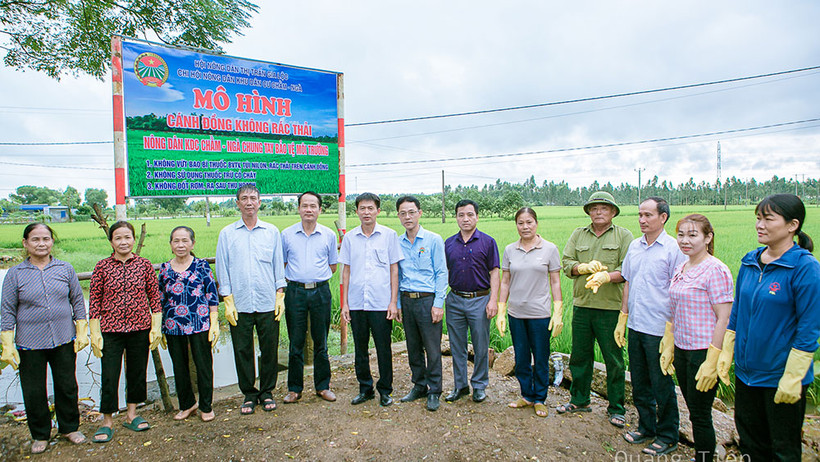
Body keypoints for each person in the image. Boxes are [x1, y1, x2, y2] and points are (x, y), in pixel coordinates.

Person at [717, 194, 820, 461]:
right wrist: (728, 353)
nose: (759, 225)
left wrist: (793, 377)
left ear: (792, 225)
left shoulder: (804, 267)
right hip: (746, 374)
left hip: (780, 377)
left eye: (768, 219)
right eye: (758, 218)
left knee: (783, 450)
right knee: (751, 444)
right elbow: (738, 311)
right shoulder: (750, 261)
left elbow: (809, 328)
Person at [1, 223, 88, 454]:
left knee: (67, 385)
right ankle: (40, 434)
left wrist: (82, 329)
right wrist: (7, 343)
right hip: (29, 343)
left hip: (63, 338)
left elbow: (77, 300)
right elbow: (7, 310)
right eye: (36, 239)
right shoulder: (15, 274)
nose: (41, 244)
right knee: (33, 390)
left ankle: (69, 428)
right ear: (25, 243)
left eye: (46, 239)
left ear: (52, 242)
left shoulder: (65, 269)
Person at [557, 191, 632, 429]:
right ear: (589, 212)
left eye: (604, 208)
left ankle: (617, 408)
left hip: (610, 309)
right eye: (594, 208)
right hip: (582, 306)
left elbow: (628, 269)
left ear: (613, 212)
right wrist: (583, 267)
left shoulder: (623, 236)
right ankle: (579, 400)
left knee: (614, 360)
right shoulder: (578, 234)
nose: (599, 212)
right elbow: (566, 263)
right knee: (580, 357)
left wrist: (606, 276)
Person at [615, 197, 684, 455]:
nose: (642, 220)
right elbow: (628, 282)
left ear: (663, 217)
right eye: (640, 215)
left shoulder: (673, 249)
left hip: (660, 329)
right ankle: (646, 427)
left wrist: (672, 331)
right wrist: (623, 316)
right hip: (636, 325)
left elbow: (678, 291)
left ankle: (668, 434)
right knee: (640, 381)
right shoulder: (635, 246)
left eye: (648, 215)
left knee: (662, 383)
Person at [663, 214, 733, 461]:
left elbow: (724, 317)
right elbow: (674, 308)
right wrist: (669, 342)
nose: (685, 240)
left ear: (708, 237)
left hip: (703, 351)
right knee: (693, 410)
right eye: (681, 234)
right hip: (682, 348)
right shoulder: (682, 267)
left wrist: (713, 358)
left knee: (701, 414)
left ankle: (704, 458)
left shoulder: (716, 270)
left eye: (693, 235)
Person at [89, 220, 163, 443]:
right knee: (110, 374)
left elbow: (154, 298)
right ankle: (107, 421)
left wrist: (156, 325)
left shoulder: (144, 265)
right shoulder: (102, 266)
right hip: (110, 329)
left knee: (137, 372)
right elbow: (94, 300)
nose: (123, 242)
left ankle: (132, 414)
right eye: (118, 238)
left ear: (134, 239)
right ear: (111, 241)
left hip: (140, 327)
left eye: (127, 237)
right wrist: (94, 330)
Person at [215, 184, 287, 415]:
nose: (248, 202)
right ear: (237, 203)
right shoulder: (227, 234)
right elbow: (222, 267)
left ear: (259, 202)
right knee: (242, 349)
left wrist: (279, 295)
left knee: (269, 349)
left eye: (253, 198)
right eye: (244, 198)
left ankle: (266, 392)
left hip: (268, 301)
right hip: (240, 304)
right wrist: (227, 299)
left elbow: (278, 265)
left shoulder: (271, 231)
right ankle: (248, 393)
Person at [497, 207, 562, 418]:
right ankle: (526, 395)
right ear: (516, 225)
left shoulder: (550, 249)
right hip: (516, 313)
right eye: (520, 223)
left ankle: (540, 398)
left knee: (541, 358)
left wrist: (558, 309)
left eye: (529, 222)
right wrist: (501, 308)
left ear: (536, 223)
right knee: (522, 356)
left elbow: (555, 281)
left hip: (540, 314)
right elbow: (505, 281)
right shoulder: (509, 250)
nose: (525, 227)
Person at [340, 192, 403, 407]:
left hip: (381, 303)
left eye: (370, 208)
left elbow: (394, 270)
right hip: (357, 302)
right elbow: (346, 271)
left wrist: (393, 302)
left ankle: (385, 390)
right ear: (356, 211)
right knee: (360, 349)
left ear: (377, 210)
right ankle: (365, 388)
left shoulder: (389, 235)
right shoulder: (349, 238)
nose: (366, 212)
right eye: (362, 208)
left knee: (383, 348)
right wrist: (345, 303)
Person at [281, 191, 339, 404]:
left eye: (313, 206)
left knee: (320, 341)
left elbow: (332, 265)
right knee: (295, 342)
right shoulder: (286, 234)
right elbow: (284, 263)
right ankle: (294, 389)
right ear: (298, 208)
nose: (308, 210)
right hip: (295, 291)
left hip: (321, 291)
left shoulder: (328, 235)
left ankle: (323, 386)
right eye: (304, 205)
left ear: (319, 210)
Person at [158, 226, 219, 422]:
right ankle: (187, 404)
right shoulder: (165, 269)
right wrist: (158, 327)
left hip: (199, 323)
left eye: (185, 240)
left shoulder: (201, 266)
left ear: (192, 243)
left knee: (203, 364)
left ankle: (206, 405)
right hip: (173, 324)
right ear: (170, 244)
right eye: (176, 241)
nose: (180, 245)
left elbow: (212, 295)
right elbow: (160, 298)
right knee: (179, 366)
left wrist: (214, 320)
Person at [444, 199, 500, 403]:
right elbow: (445, 271)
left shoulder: (488, 242)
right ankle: (460, 386)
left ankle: (479, 385)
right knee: (456, 345)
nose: (465, 219)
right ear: (456, 217)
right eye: (461, 215)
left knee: (480, 345)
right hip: (455, 299)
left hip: (480, 299)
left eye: (469, 214)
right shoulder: (449, 243)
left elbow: (495, 272)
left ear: (477, 216)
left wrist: (493, 300)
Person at [395, 196, 448, 411]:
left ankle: (435, 390)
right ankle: (419, 385)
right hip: (407, 301)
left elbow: (442, 272)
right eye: (403, 213)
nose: (407, 217)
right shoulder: (397, 242)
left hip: (428, 301)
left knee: (433, 349)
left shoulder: (433, 240)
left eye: (411, 212)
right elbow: (396, 275)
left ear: (420, 213)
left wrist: (438, 303)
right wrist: (398, 303)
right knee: (413, 346)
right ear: (398, 216)